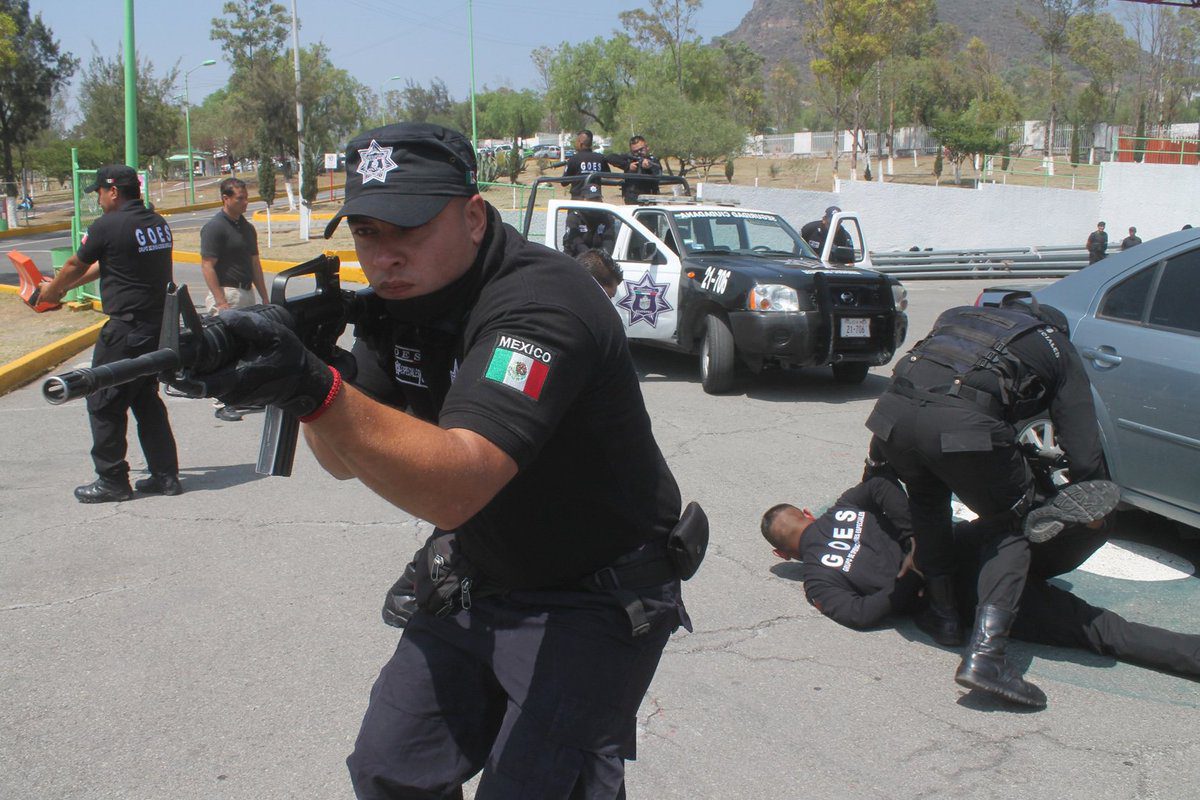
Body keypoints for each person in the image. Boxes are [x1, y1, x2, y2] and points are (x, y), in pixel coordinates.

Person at [182, 123, 699, 798]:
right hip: (485, 571)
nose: (385, 256)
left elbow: (458, 486)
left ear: (474, 216)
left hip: (596, 592)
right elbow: (342, 461)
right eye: (367, 232)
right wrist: (309, 377)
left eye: (409, 229)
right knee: (390, 769)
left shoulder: (543, 303)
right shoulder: (403, 305)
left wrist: (314, 385)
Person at [864, 293, 1120, 708]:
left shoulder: (957, 317)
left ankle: (944, 617)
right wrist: (1089, 496)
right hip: (959, 424)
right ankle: (987, 656)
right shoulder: (1055, 344)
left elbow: (915, 377)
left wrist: (879, 459)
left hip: (893, 418)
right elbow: (1084, 447)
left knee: (928, 504)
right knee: (1016, 521)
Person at [761, 479, 1200, 681]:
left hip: (959, 594)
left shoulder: (818, 579)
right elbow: (880, 486)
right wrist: (918, 540)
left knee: (1100, 629)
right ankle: (1084, 527)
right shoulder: (846, 507)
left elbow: (857, 614)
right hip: (969, 544)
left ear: (784, 554)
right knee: (1021, 541)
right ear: (805, 513)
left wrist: (908, 576)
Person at [37, 165, 182, 502]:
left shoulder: (107, 226)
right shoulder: (156, 223)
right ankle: (165, 475)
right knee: (146, 400)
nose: (99, 200)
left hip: (126, 331)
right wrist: (64, 287)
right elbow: (109, 264)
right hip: (156, 329)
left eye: (100, 193)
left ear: (113, 191)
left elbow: (75, 263)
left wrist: (52, 291)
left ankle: (112, 481)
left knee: (103, 400)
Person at [200, 177, 271, 421]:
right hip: (227, 293)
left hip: (247, 293)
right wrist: (221, 302)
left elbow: (255, 263)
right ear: (225, 199)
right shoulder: (214, 227)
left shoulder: (246, 227)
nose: (245, 203)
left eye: (246, 198)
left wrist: (264, 296)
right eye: (240, 198)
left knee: (248, 347)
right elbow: (208, 266)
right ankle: (222, 401)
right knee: (225, 350)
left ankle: (244, 395)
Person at [560, 129, 613, 201]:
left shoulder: (574, 159)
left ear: (580, 143)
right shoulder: (600, 158)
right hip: (596, 201)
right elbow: (608, 176)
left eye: (576, 141)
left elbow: (564, 182)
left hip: (578, 201)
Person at [609, 135, 663, 205]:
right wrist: (628, 166)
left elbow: (658, 174)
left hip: (650, 200)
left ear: (647, 147)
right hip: (632, 201)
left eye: (641, 149)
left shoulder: (653, 161)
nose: (639, 152)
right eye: (635, 151)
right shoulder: (630, 160)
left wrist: (649, 167)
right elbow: (610, 158)